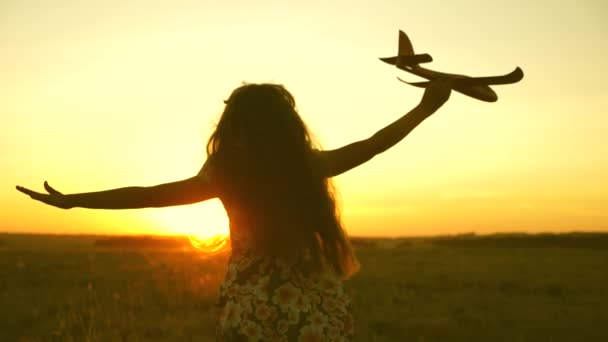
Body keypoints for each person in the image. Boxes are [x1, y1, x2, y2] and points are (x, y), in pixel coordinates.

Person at [16, 81, 451, 341]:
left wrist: (77, 200)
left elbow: (150, 194)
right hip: (318, 311)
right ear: (287, 126)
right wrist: (424, 108)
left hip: (252, 310)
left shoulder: (228, 173)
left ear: (236, 126)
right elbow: (372, 146)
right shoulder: (305, 166)